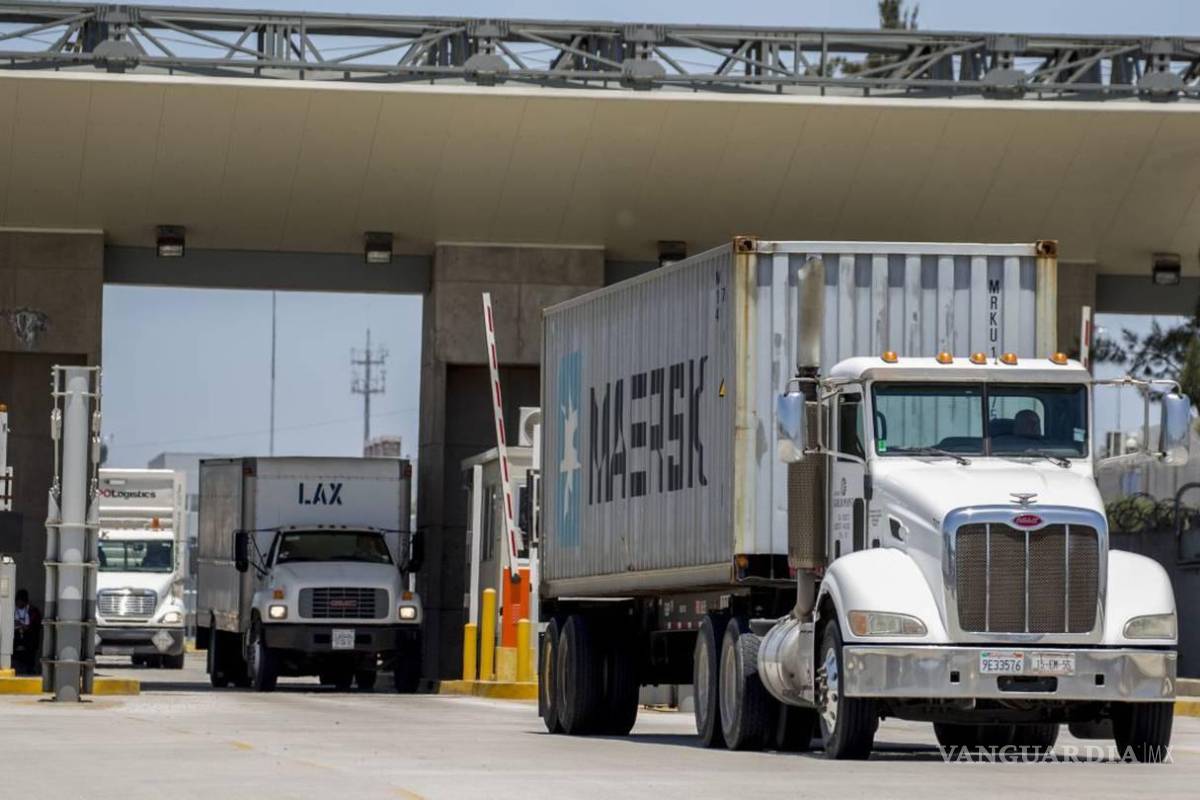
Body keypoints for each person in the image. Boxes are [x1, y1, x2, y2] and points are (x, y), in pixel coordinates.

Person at [13, 589, 42, 675]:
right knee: (16, 662)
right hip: (17, 642)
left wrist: (22, 626)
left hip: (29, 643)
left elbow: (34, 626)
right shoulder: (13, 610)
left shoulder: (33, 611)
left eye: (19, 601)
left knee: (28, 664)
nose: (18, 604)